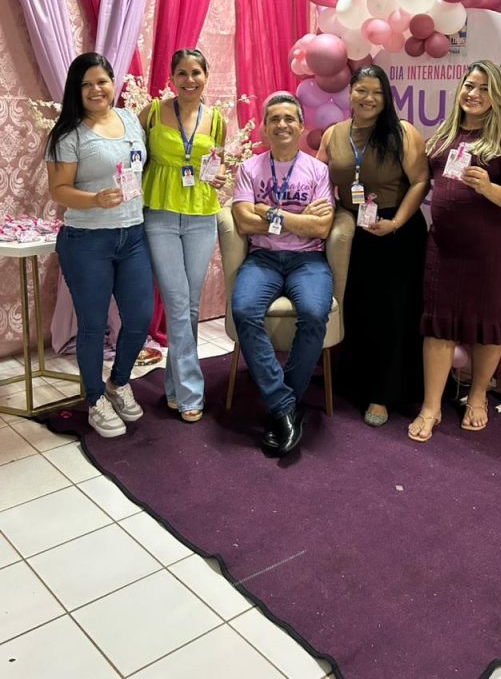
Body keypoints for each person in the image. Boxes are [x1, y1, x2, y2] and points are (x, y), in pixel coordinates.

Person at [408, 60, 501, 443]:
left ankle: (478, 396)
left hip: (494, 252)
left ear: (496, 97)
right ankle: (431, 406)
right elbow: (420, 181)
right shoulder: (442, 136)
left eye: (484, 89)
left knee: (489, 326)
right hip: (444, 249)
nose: (474, 94)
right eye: (469, 85)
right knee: (439, 326)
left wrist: (488, 188)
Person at [46, 53, 154, 439]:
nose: (96, 90)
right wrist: (94, 199)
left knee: (139, 317)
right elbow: (58, 189)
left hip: (133, 235)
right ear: (76, 90)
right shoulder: (68, 133)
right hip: (87, 240)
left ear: (113, 82)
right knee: (92, 326)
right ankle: (94, 399)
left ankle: (118, 382)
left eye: (102, 81)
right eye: (86, 84)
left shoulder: (130, 120)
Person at [317, 65, 429, 426]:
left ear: (386, 97)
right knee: (357, 306)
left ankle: (384, 393)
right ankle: (356, 382)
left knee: (392, 313)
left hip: (396, 231)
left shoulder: (403, 133)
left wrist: (395, 222)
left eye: (377, 92)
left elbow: (420, 181)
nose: (368, 98)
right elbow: (316, 178)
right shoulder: (334, 134)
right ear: (350, 92)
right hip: (353, 231)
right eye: (361, 90)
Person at [231, 93, 335, 456]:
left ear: (302, 126)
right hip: (263, 258)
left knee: (314, 313)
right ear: (264, 127)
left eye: (290, 118)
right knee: (244, 310)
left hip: (308, 260)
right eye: (274, 119)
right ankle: (285, 406)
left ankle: (282, 403)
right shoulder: (249, 168)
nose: (282, 125)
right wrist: (298, 220)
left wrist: (269, 212)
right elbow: (244, 222)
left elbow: (321, 228)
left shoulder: (318, 170)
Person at [140, 48, 226, 423]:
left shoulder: (217, 119)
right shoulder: (152, 113)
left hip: (201, 216)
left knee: (189, 305)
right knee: (177, 302)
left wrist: (219, 176)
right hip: (159, 213)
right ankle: (192, 392)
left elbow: (217, 162)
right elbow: (133, 156)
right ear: (172, 78)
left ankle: (175, 388)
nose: (190, 80)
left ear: (206, 76)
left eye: (196, 73)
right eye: (182, 73)